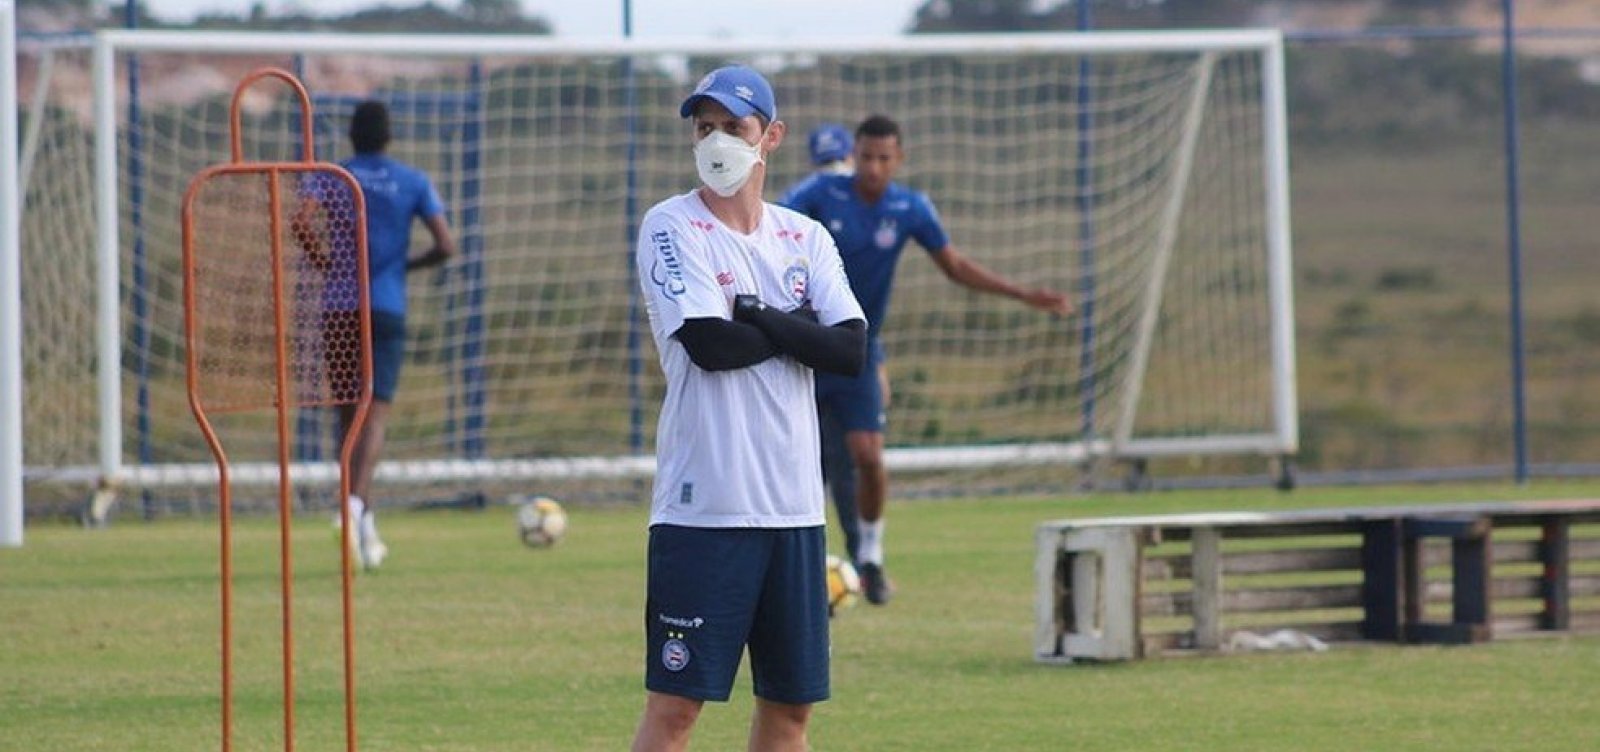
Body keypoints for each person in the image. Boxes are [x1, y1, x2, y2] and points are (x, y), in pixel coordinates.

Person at [630, 65, 867, 752]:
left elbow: (849, 349)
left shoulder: (805, 237)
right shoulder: (673, 224)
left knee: (790, 714)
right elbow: (711, 345)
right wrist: (798, 328)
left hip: (795, 511)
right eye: (705, 127)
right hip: (706, 510)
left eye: (734, 127)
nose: (717, 142)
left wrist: (758, 313)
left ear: (771, 137)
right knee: (676, 711)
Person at [780, 114, 1073, 605]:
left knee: (868, 456)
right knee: (798, 465)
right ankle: (796, 571)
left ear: (899, 159)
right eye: (866, 157)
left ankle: (871, 558)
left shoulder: (910, 207)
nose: (873, 167)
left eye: (884, 158)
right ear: (854, 156)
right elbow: (767, 231)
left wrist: (1023, 294)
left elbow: (955, 266)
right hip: (806, 347)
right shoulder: (818, 195)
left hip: (858, 350)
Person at [295, 99, 456, 570]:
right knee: (376, 415)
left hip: (339, 308)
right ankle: (354, 507)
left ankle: (360, 519)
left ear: (352, 136)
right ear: (389, 137)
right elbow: (446, 245)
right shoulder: (412, 181)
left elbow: (300, 221)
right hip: (385, 306)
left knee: (347, 416)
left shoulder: (334, 175)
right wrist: (404, 267)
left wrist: (327, 263)